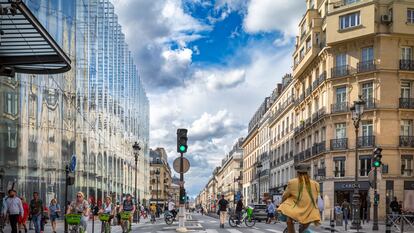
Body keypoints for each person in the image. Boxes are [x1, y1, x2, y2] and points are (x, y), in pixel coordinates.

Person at [278, 163, 320, 233]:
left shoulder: (292, 182)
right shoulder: (316, 184)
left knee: (289, 220)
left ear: (297, 172)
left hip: (294, 208)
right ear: (308, 172)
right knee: (306, 224)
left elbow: (285, 196)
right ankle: (302, 229)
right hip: (309, 209)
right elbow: (316, 198)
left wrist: (281, 204)